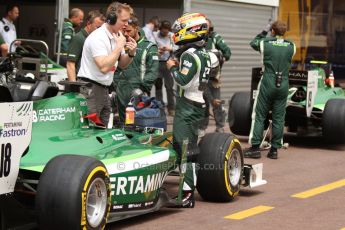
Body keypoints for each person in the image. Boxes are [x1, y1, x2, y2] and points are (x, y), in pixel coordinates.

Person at [166, 12, 211, 208]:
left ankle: (186, 194)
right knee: (187, 149)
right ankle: (187, 190)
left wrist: (171, 67)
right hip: (197, 102)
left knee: (185, 150)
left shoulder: (189, 55)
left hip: (188, 106)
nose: (176, 33)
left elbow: (182, 80)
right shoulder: (204, 52)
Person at [77, 2, 136, 126]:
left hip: (104, 89)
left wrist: (131, 53)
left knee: (101, 130)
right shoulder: (98, 37)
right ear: (112, 19)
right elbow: (104, 67)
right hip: (91, 88)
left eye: (128, 20)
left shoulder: (117, 36)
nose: (126, 24)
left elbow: (122, 64)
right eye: (124, 20)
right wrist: (119, 46)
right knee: (90, 130)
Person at [244, 20, 295, 159]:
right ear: (284, 32)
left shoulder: (265, 43)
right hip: (283, 82)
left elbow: (253, 42)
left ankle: (255, 148)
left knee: (259, 115)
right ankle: (274, 150)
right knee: (279, 117)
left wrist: (263, 31)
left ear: (272, 31)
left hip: (268, 80)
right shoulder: (292, 46)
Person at [114, 15, 159, 122]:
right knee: (122, 124)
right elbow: (115, 67)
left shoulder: (149, 47)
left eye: (129, 31)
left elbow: (153, 71)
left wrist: (143, 89)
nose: (126, 34)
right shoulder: (120, 44)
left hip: (138, 92)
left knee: (136, 124)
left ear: (136, 28)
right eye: (124, 31)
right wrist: (115, 86)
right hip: (120, 91)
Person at [200, 18, 231, 133]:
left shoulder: (215, 37)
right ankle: (202, 127)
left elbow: (227, 52)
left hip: (214, 77)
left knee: (217, 101)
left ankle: (220, 126)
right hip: (201, 76)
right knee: (203, 102)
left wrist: (220, 62)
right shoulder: (198, 37)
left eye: (206, 26)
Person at [66, 10, 105, 82]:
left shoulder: (95, 39)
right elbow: (70, 64)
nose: (100, 30)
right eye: (97, 27)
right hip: (81, 83)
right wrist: (74, 86)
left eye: (101, 28)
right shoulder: (78, 38)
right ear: (88, 24)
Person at [153, 20, 176, 116]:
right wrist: (157, 50)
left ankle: (171, 108)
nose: (165, 32)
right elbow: (151, 46)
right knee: (158, 87)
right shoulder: (155, 35)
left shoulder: (172, 36)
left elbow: (178, 48)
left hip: (168, 62)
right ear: (160, 28)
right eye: (163, 30)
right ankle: (160, 107)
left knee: (169, 87)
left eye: (167, 30)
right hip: (158, 63)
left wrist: (169, 48)